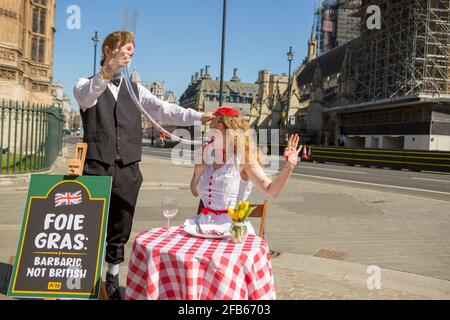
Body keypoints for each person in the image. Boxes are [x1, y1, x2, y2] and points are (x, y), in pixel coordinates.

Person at [73, 31, 214, 300]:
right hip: (96, 165)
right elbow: (88, 99)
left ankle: (113, 274)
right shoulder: (85, 83)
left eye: (131, 52)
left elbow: (164, 109)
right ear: (107, 50)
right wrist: (108, 69)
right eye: (125, 50)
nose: (129, 55)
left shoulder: (136, 90)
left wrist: (198, 116)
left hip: (128, 166)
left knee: (121, 225)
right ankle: (88, 278)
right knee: (90, 225)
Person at [189, 106, 301, 232]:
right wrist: (198, 170)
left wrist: (289, 166)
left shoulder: (243, 159)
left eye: (215, 129)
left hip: (231, 228)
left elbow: (271, 190)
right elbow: (194, 191)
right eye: (210, 129)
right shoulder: (208, 155)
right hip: (203, 226)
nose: (210, 134)